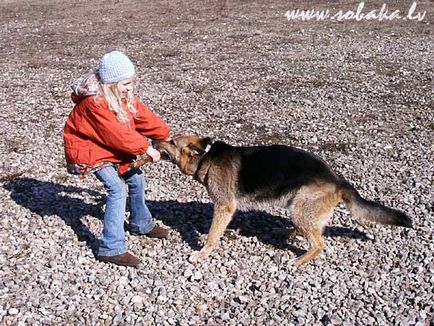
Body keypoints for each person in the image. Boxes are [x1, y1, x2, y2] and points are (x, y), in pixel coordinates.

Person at [63, 51, 171, 267]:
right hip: (90, 150)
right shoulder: (94, 102)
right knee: (117, 189)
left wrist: (163, 134)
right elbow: (117, 134)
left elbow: (141, 115)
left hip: (108, 146)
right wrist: (146, 148)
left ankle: (141, 223)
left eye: (131, 82)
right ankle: (111, 248)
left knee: (136, 179)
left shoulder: (120, 95)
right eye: (125, 83)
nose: (129, 88)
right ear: (110, 83)